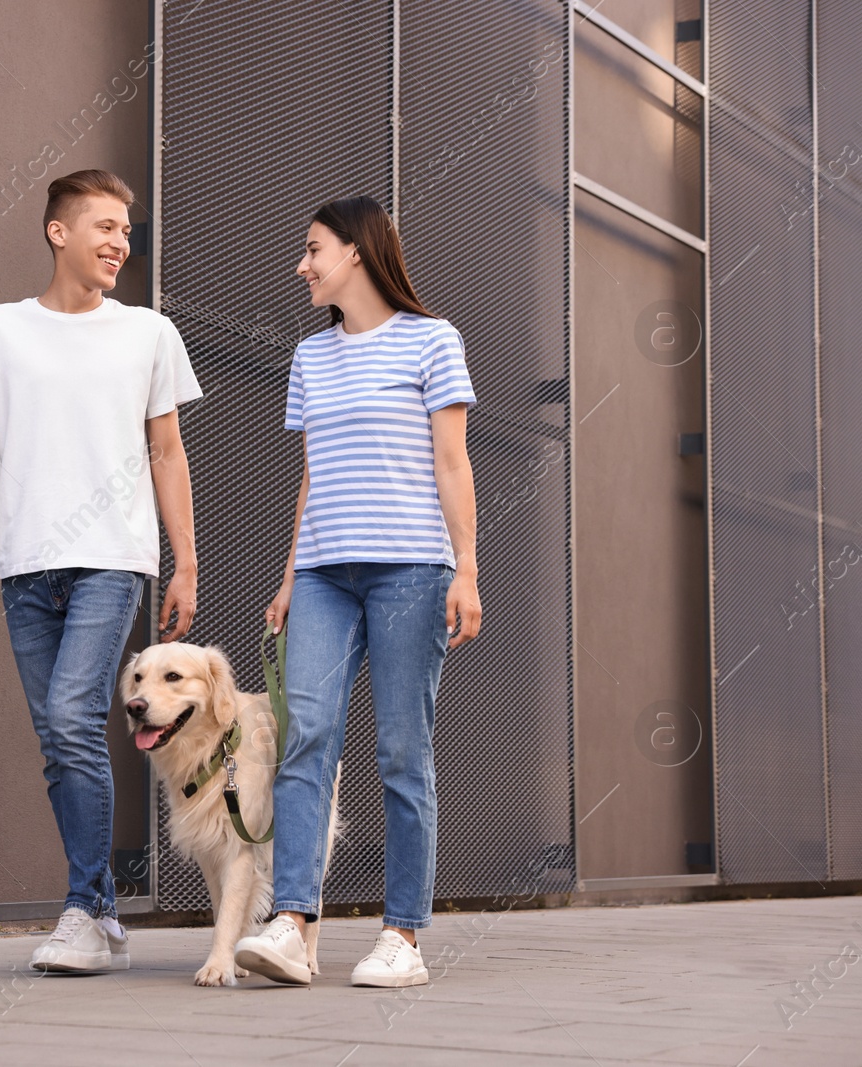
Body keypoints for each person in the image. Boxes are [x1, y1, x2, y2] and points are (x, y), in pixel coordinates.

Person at [0, 168, 203, 973]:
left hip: (112, 558)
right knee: (58, 738)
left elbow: (168, 450)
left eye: (127, 231)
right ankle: (100, 915)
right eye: (104, 226)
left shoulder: (148, 332)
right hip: (26, 565)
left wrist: (186, 561)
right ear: (57, 231)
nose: (120, 243)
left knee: (74, 718)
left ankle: (86, 907)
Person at [232, 195, 481, 987]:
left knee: (403, 750)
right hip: (323, 575)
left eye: (313, 249)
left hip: (412, 568)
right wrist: (287, 574)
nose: (302, 265)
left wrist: (468, 566)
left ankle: (402, 936)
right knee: (306, 738)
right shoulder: (312, 357)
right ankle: (294, 925)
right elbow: (313, 477)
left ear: (358, 252)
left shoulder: (433, 341)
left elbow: (452, 462)